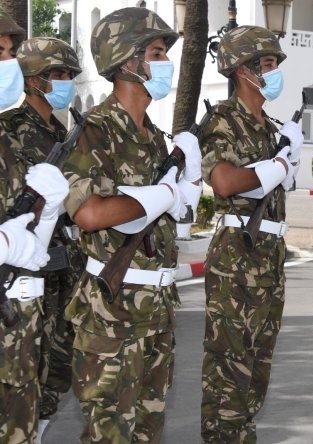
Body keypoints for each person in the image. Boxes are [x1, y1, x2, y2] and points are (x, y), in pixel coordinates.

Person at [60, 8, 202, 441]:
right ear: (128, 61)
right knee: (111, 433)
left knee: (148, 431)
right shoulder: (94, 131)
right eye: (157, 52)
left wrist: (185, 193)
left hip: (156, 306)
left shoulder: (154, 137)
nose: (166, 63)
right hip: (111, 314)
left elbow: (167, 219)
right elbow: (88, 213)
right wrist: (164, 194)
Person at [199, 25, 302, 442]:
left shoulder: (271, 126)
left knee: (258, 367)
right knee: (229, 368)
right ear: (243, 70)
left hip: (270, 256)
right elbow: (223, 182)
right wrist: (278, 165)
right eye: (268, 63)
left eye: (275, 62)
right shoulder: (222, 120)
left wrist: (285, 154)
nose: (275, 71)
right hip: (237, 256)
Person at [0, 36, 84, 441]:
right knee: (26, 368)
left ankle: (37, 427)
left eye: (69, 75)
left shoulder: (64, 130)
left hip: (63, 260)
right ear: (32, 80)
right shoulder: (12, 129)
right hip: (26, 261)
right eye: (57, 75)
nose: (65, 82)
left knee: (60, 361)